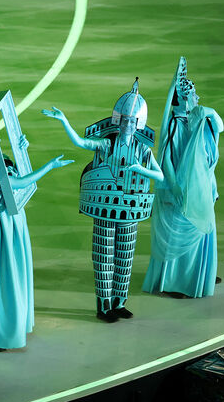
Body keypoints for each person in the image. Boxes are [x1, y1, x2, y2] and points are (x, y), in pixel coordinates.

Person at [42, 79, 164, 322]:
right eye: (125, 121)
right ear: (119, 120)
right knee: (104, 257)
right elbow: (80, 142)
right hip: (105, 208)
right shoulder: (107, 144)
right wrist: (64, 121)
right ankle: (104, 307)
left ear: (138, 123)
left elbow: (160, 176)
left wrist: (140, 169)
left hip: (130, 207)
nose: (128, 125)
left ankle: (119, 303)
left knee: (125, 257)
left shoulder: (143, 150)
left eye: (132, 122)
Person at [0, 127, 72, 351]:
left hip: (7, 224)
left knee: (3, 272)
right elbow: (21, 183)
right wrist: (50, 166)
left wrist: (21, 152)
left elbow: (21, 182)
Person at [142, 58, 223, 295]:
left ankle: (199, 273)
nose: (197, 97)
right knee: (178, 232)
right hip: (180, 188)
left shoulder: (198, 121)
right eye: (193, 94)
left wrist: (209, 112)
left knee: (199, 229)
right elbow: (166, 158)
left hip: (199, 188)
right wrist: (175, 185)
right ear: (184, 98)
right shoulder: (176, 124)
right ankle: (174, 281)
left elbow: (219, 127)